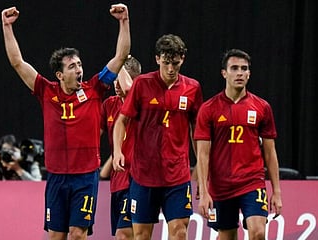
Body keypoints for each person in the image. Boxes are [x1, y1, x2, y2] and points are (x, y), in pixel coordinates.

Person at [1, 3, 130, 239]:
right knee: (56, 236)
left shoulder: (95, 88)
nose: (79, 69)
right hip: (56, 177)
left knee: (77, 233)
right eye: (72, 66)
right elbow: (17, 62)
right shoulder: (45, 91)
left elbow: (121, 56)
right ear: (60, 75)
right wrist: (7, 26)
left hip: (85, 176)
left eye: (79, 64)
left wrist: (124, 21)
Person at [112, 34, 203, 240]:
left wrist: (201, 165)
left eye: (175, 63)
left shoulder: (193, 88)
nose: (171, 69)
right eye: (166, 62)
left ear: (183, 60)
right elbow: (121, 121)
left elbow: (196, 129)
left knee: (179, 232)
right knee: (142, 236)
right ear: (157, 59)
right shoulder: (142, 84)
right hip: (144, 175)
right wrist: (117, 150)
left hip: (177, 176)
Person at [194, 49, 282, 240]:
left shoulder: (262, 107)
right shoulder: (208, 109)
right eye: (234, 68)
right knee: (227, 236)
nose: (240, 73)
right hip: (221, 185)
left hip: (252, 181)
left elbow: (270, 152)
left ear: (249, 74)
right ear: (224, 73)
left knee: (258, 232)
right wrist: (204, 189)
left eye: (244, 69)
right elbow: (202, 154)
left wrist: (276, 191)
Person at [99, 55, 141, 239]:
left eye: (121, 77)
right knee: (122, 235)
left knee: (124, 235)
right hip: (117, 181)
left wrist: (121, 59)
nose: (116, 83)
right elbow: (94, 134)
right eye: (114, 78)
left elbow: (128, 89)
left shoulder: (142, 102)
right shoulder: (109, 105)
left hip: (136, 179)